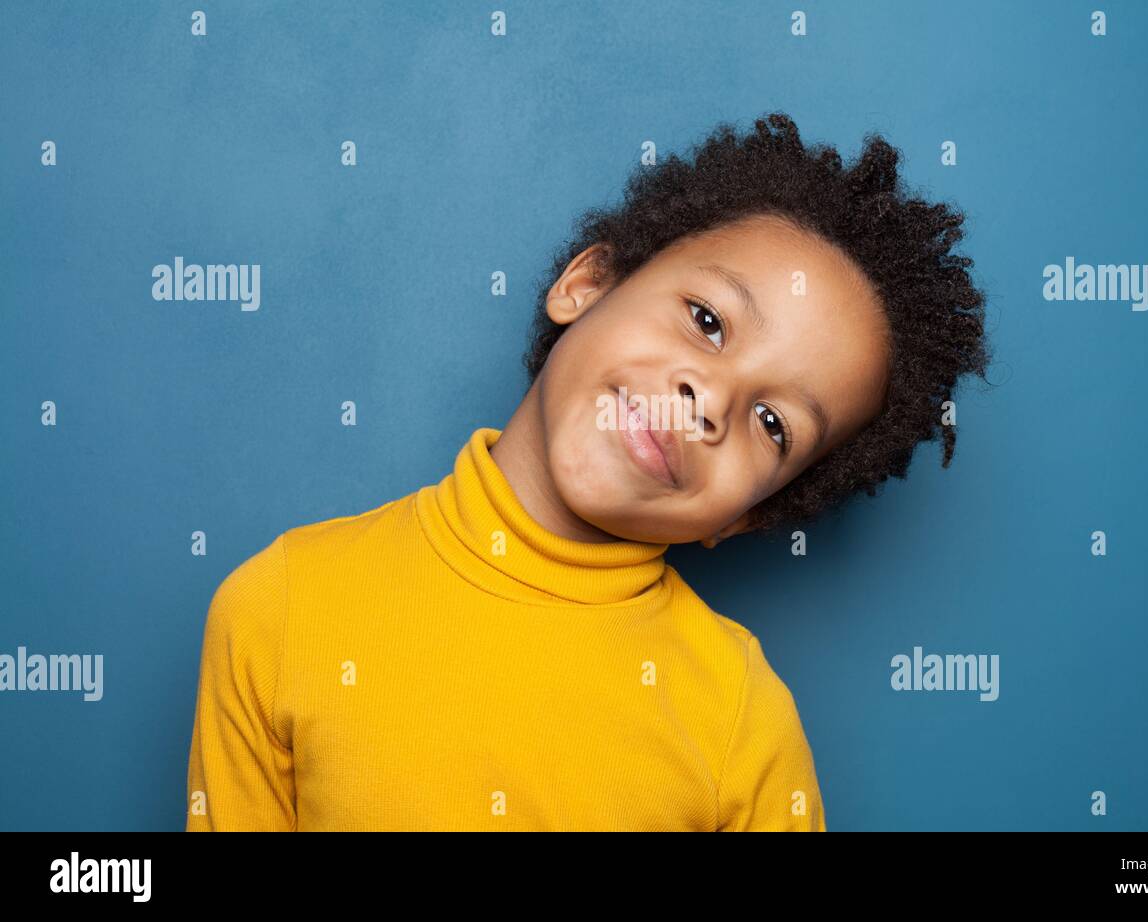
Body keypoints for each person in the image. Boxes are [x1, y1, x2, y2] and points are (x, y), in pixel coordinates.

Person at [185, 112, 991, 831]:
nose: (707, 400)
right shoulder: (283, 606)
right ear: (588, 284)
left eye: (772, 424)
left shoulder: (740, 721)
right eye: (708, 321)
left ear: (747, 517)